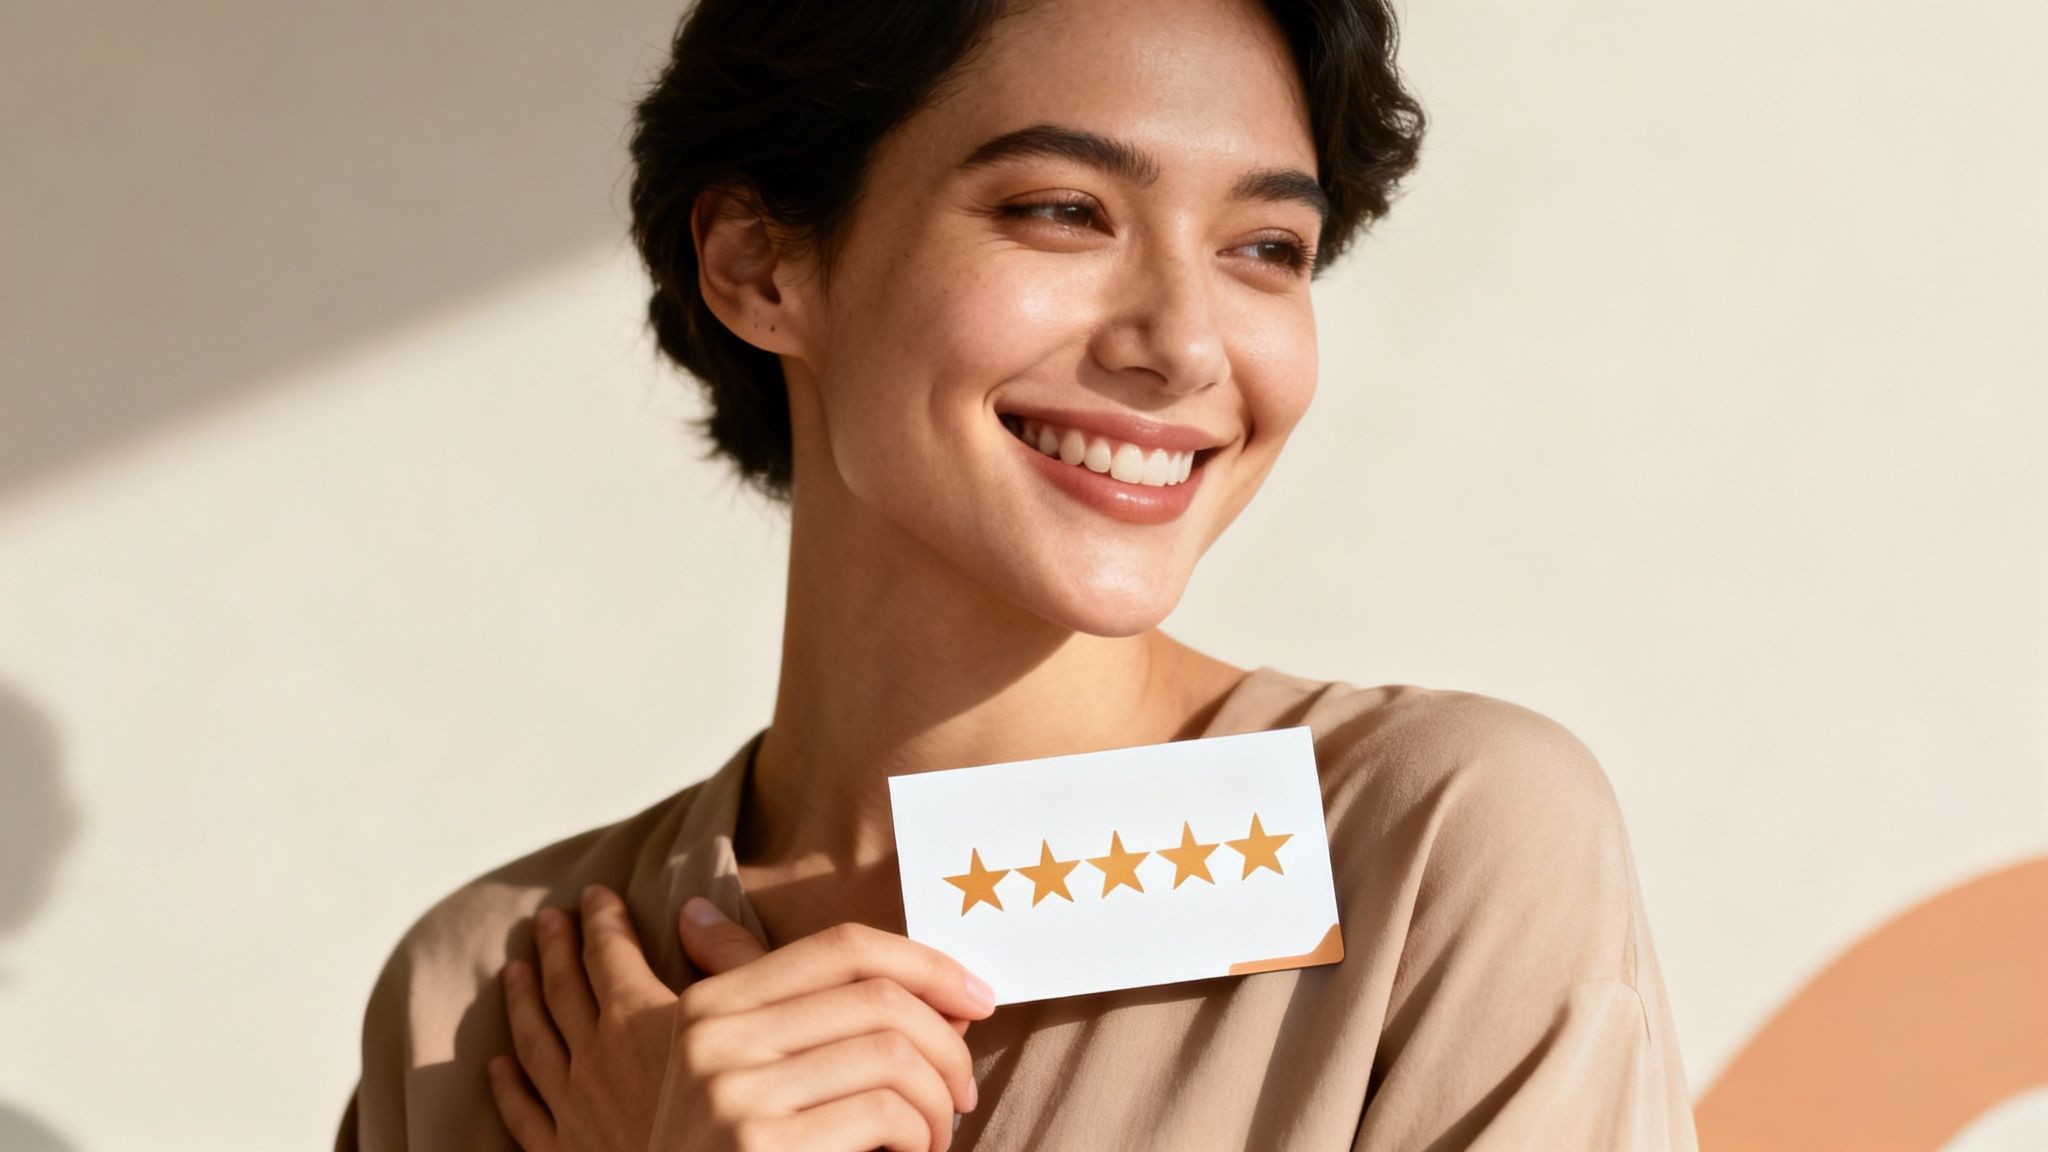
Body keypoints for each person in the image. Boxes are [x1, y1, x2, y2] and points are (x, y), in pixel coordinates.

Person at [334, 0, 1700, 1148]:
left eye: (1263, 249)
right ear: (759, 264)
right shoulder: (492, 997)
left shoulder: (1428, 847)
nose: (1183, 341)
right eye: (1064, 211)